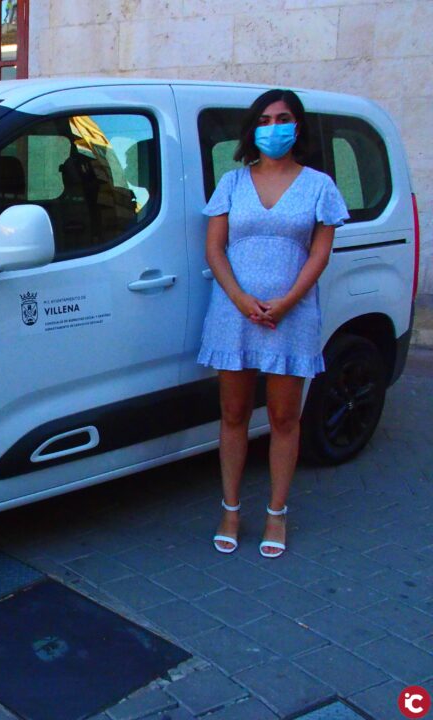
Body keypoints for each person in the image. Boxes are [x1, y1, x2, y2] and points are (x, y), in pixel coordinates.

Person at [199, 89, 349, 558]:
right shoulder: (232, 182)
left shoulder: (319, 185)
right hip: (234, 313)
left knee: (285, 418)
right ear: (252, 129)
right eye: (264, 120)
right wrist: (241, 299)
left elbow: (320, 252)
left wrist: (286, 302)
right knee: (233, 415)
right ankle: (230, 509)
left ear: (297, 126)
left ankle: (276, 512)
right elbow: (214, 248)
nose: (273, 128)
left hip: (292, 314)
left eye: (282, 118)